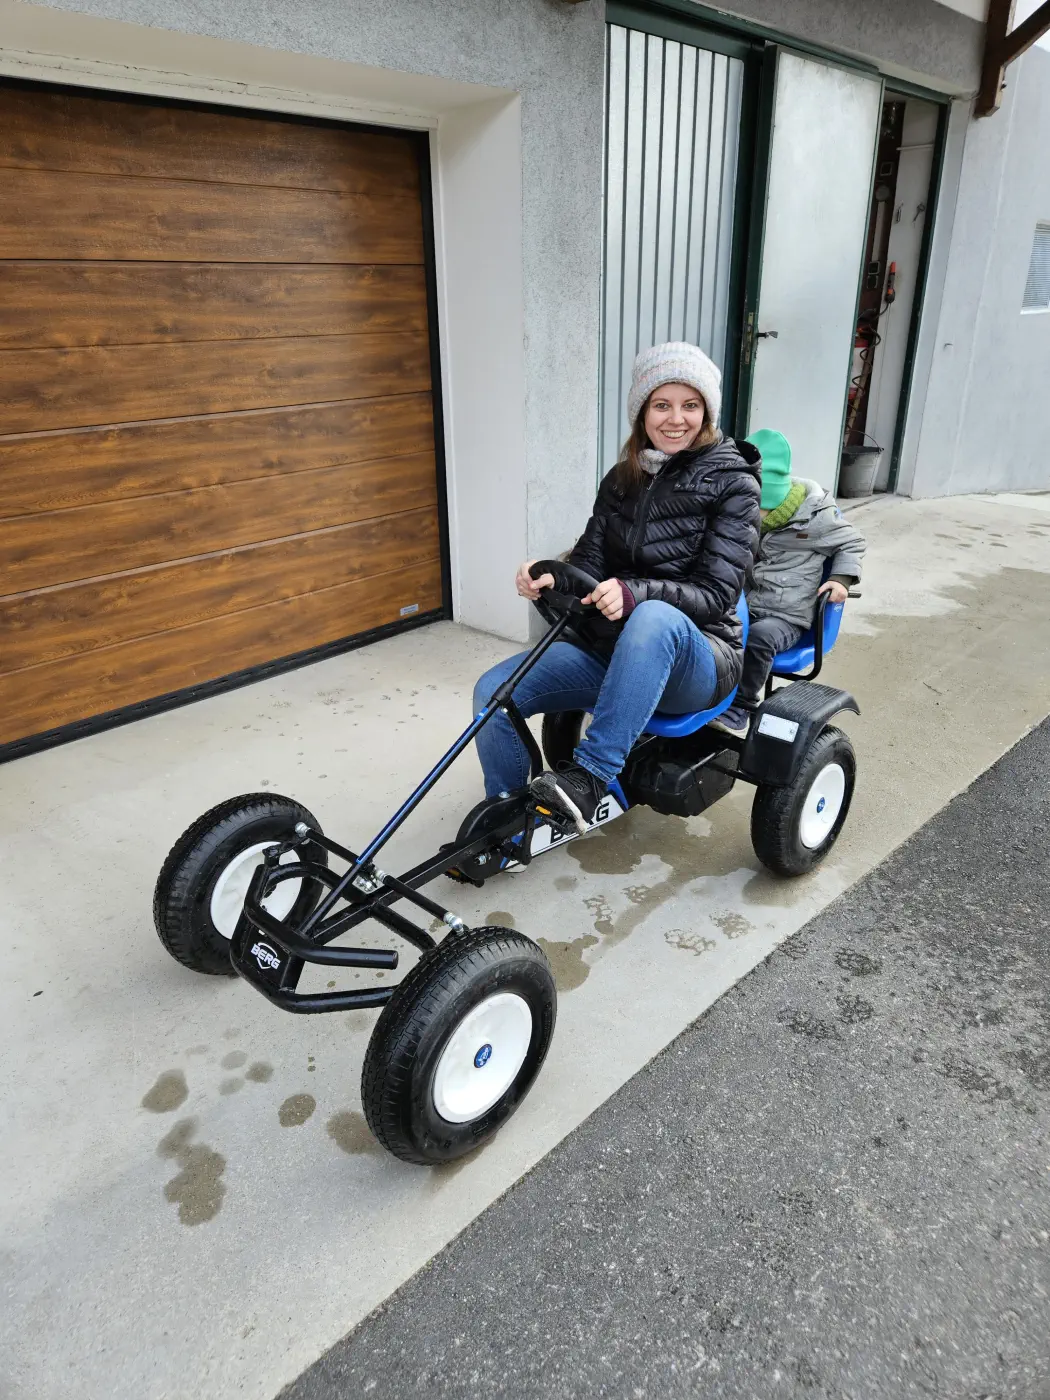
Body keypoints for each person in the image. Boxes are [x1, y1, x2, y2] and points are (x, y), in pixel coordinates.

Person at [472, 342, 761, 834]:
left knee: (651, 618)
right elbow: (588, 559)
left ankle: (592, 776)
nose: (676, 419)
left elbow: (716, 594)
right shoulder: (623, 478)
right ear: (641, 412)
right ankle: (506, 819)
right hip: (610, 649)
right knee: (492, 695)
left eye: (690, 405)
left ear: (707, 411)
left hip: (699, 658)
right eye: (661, 405)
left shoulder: (734, 484)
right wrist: (549, 577)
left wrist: (633, 593)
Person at [710, 428, 867, 739]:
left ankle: (740, 706)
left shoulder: (815, 517)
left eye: (759, 509)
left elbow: (853, 542)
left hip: (787, 616)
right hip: (746, 604)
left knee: (759, 637)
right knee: (708, 627)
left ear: (778, 499)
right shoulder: (743, 515)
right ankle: (705, 695)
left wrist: (841, 580)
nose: (752, 516)